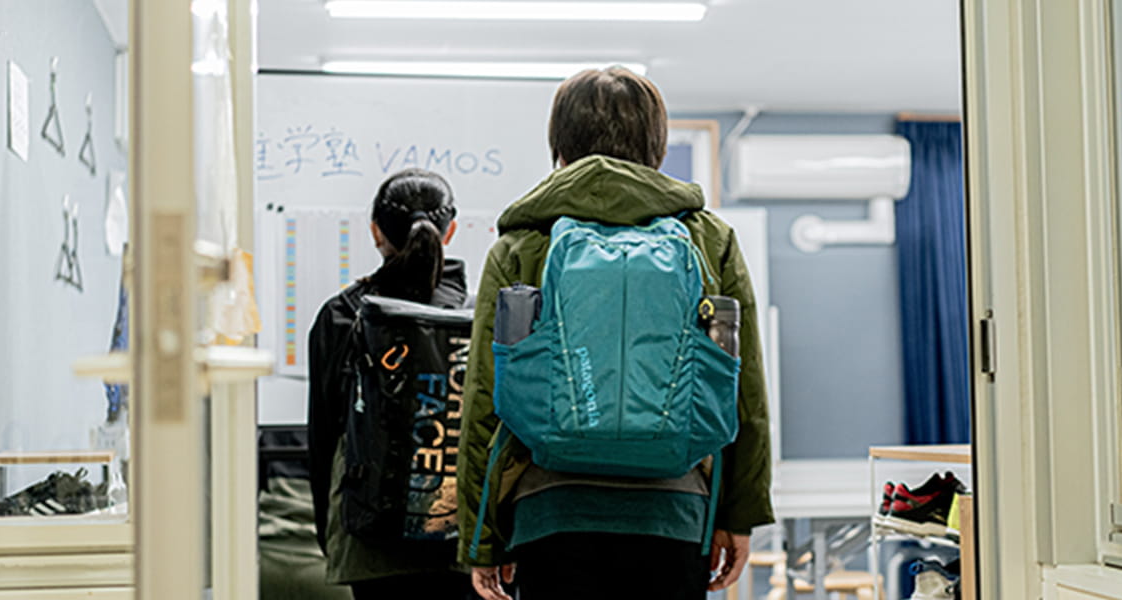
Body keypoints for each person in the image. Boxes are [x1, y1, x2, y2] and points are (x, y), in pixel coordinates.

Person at [456, 67, 775, 600]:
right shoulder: (707, 238)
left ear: (560, 143)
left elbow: (486, 397)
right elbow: (744, 389)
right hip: (674, 513)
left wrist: (482, 537)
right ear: (656, 143)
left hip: (550, 513)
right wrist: (739, 514)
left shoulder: (523, 243)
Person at [308, 168, 473, 600]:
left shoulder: (342, 314)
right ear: (450, 231)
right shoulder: (478, 316)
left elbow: (323, 437)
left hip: (369, 539)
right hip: (456, 536)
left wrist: (331, 532)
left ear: (375, 232)